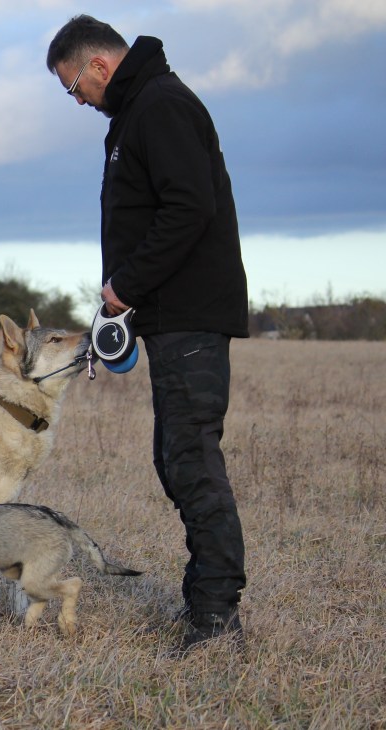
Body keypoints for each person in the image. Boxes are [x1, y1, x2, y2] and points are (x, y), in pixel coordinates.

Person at [46, 15, 248, 652]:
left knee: (190, 460)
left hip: (189, 313)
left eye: (73, 85)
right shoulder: (136, 114)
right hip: (167, 316)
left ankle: (216, 618)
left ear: (99, 66)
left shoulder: (159, 106)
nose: (75, 99)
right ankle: (207, 604)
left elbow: (191, 205)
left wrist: (126, 286)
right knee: (175, 458)